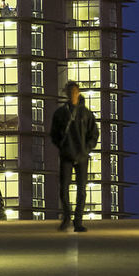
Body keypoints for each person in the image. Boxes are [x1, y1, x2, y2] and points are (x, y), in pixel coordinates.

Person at [49, 80, 98, 233]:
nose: (72, 95)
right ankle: (67, 218)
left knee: (81, 190)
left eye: (74, 92)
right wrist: (63, 148)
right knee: (63, 188)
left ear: (78, 93)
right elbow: (54, 134)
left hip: (82, 156)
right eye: (70, 92)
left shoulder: (86, 114)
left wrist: (86, 148)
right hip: (67, 155)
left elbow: (94, 134)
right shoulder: (60, 113)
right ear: (66, 94)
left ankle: (77, 221)